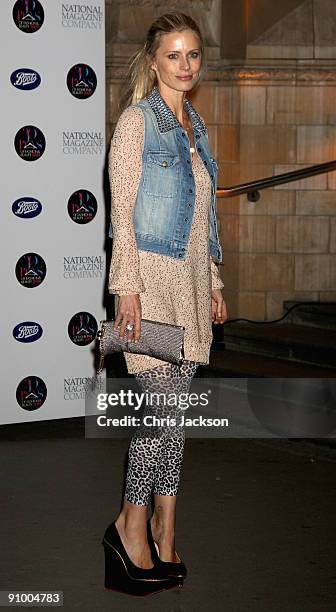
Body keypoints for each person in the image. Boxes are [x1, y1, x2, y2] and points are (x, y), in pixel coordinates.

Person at [101, 11, 228, 596]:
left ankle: (161, 522)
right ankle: (134, 522)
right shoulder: (136, 122)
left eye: (193, 54)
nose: (185, 65)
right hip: (149, 283)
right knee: (160, 413)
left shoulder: (196, 126)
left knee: (172, 418)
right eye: (174, 55)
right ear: (153, 61)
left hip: (192, 287)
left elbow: (205, 219)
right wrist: (125, 286)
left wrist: (217, 284)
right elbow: (120, 212)